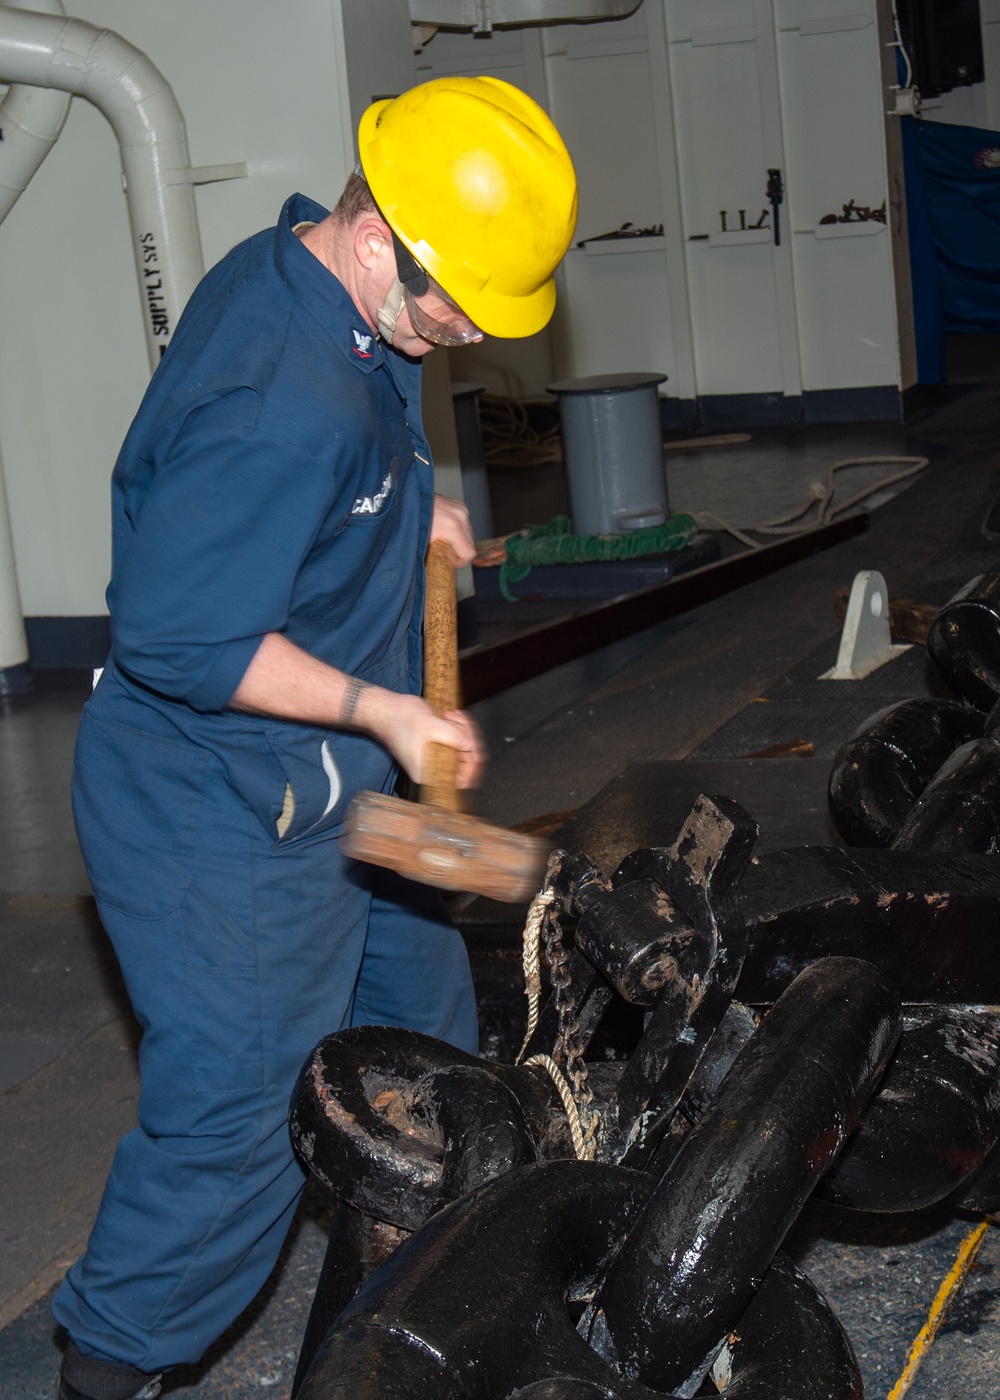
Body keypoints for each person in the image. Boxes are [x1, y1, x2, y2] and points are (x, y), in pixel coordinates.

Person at [53, 75, 577, 1400]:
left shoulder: (321, 285)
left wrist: (420, 522)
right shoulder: (284, 394)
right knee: (233, 1121)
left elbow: (362, 442)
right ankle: (104, 1370)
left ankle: (412, 1296)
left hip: (345, 798)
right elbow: (184, 638)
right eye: (451, 304)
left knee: (425, 1042)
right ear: (371, 238)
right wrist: (388, 709)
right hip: (220, 805)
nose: (460, 336)